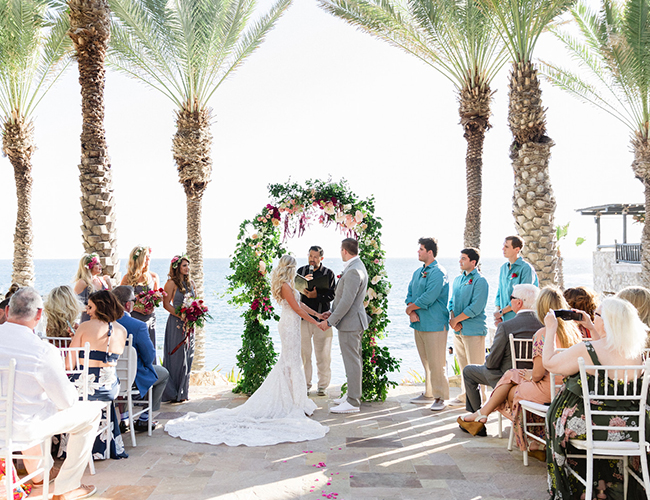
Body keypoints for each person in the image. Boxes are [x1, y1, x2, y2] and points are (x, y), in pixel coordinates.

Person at [164, 255, 329, 446]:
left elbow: (301, 305)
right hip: (289, 325)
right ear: (289, 268)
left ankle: (295, 398)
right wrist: (318, 323)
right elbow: (297, 310)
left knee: (292, 361)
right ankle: (290, 400)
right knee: (290, 361)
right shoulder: (285, 285)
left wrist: (317, 314)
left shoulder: (289, 283)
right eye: (294, 267)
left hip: (293, 324)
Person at [0, 287, 105, 500]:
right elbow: (66, 401)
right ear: (39, 314)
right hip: (23, 430)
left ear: (8, 309)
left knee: (28, 407)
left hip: (6, 425)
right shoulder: (42, 350)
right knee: (91, 412)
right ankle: (66, 488)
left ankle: (40, 474)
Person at [544, 297, 649, 500]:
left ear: (608, 322)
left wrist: (551, 329)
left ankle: (580, 488)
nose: (593, 317)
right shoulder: (637, 353)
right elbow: (606, 348)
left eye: (596, 315)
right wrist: (591, 326)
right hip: (632, 427)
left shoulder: (588, 349)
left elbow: (550, 364)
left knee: (560, 420)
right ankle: (602, 487)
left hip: (591, 428)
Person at [458, 287, 582, 449]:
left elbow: (537, 375)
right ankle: (482, 415)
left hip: (548, 389)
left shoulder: (543, 334)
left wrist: (531, 375)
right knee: (511, 374)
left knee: (510, 390)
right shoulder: (574, 333)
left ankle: (530, 439)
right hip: (567, 387)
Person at [461, 284, 541, 434]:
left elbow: (491, 363)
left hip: (507, 379)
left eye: (511, 298)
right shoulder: (545, 325)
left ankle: (476, 422)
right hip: (536, 378)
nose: (510, 302)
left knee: (469, 371)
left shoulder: (506, 326)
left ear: (519, 302)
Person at [71, 290, 128, 460]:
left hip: (86, 387)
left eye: (90, 307)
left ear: (100, 307)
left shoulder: (85, 326)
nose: (87, 311)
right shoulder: (122, 330)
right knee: (96, 396)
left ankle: (70, 445)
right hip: (110, 388)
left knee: (61, 392)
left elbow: (69, 364)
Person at [320, 238, 370, 414]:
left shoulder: (354, 271)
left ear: (344, 251)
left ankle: (353, 402)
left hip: (350, 323)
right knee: (353, 360)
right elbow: (345, 299)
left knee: (353, 362)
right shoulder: (357, 266)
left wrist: (330, 321)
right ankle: (351, 394)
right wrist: (331, 313)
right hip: (352, 321)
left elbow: (347, 301)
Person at [112, 286, 169, 431]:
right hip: (132, 377)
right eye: (134, 300)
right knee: (162, 374)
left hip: (111, 376)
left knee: (122, 375)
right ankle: (145, 418)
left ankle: (124, 419)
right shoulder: (138, 326)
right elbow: (149, 356)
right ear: (127, 304)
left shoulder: (103, 324)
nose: (135, 303)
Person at [404, 237, 449, 411]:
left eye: (421, 249)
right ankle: (429, 392)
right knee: (426, 362)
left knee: (437, 363)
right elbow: (410, 293)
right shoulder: (417, 272)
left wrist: (411, 309)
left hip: (435, 324)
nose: (418, 251)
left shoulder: (438, 272)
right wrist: (412, 310)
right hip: (419, 324)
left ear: (430, 252)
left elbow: (430, 296)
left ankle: (441, 397)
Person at [448, 248, 489, 407]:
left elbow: (476, 307)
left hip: (474, 330)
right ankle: (465, 396)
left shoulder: (480, 281)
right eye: (460, 258)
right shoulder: (458, 280)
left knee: (476, 366)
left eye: (463, 259)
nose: (460, 261)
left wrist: (458, 319)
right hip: (458, 330)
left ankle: (482, 399)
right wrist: (453, 320)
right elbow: (452, 302)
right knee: (464, 365)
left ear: (473, 262)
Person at [297, 245, 336, 396]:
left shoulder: (329, 273)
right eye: (310, 256)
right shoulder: (301, 271)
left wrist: (316, 296)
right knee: (304, 354)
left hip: (322, 319)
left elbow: (332, 295)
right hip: (303, 319)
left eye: (315, 257)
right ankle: (305, 385)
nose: (312, 259)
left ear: (321, 258)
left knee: (323, 355)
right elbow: (295, 291)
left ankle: (322, 386)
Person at [162, 254, 196, 403]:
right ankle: (172, 393)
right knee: (177, 357)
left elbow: (196, 301)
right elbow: (166, 304)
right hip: (176, 324)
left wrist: (195, 313)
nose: (187, 268)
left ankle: (183, 392)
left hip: (190, 324)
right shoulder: (171, 283)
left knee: (188, 356)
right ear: (177, 267)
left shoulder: (191, 283)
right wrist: (180, 315)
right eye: (184, 265)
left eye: (188, 265)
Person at [120, 246, 161, 348]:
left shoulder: (154, 277)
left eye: (149, 257)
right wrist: (137, 308)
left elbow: (158, 298)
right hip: (134, 317)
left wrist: (152, 307)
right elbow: (120, 300)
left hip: (150, 318)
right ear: (139, 259)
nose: (148, 259)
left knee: (149, 347)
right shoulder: (127, 278)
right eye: (146, 257)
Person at [493, 236, 538, 326]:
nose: (503, 249)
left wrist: (502, 312)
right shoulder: (503, 268)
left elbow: (523, 296)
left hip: (520, 320)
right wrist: (498, 313)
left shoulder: (526, 268)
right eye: (503, 246)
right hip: (504, 320)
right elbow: (500, 291)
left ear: (517, 249)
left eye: (506, 246)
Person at [73, 253, 113, 323]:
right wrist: (90, 308)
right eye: (97, 264)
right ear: (89, 266)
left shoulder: (101, 280)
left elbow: (110, 298)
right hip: (88, 320)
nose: (101, 266)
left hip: (102, 319)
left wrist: (109, 284)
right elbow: (74, 303)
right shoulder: (83, 282)